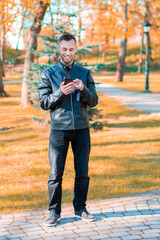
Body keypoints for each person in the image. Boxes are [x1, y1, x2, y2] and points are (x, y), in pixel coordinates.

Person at [38, 33, 98, 227]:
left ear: (76, 49)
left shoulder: (84, 72)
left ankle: (80, 208)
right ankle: (53, 212)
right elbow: (44, 103)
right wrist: (59, 93)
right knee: (56, 173)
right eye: (64, 49)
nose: (68, 53)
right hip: (59, 131)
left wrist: (84, 90)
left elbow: (94, 101)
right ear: (59, 49)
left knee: (82, 172)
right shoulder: (48, 74)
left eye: (71, 49)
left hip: (81, 129)